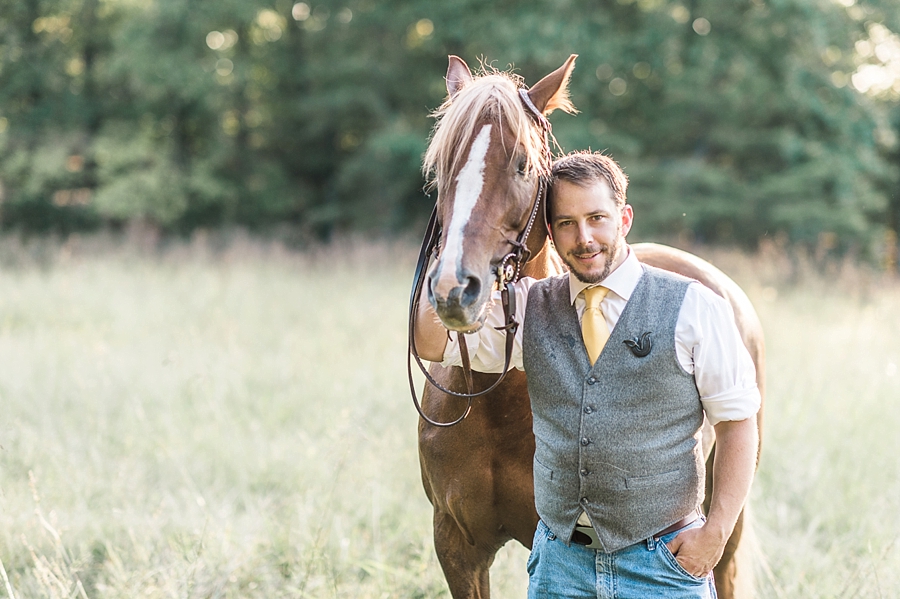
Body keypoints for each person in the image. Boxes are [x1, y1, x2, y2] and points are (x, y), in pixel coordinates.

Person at [414, 151, 760, 598]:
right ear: (550, 233)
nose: (584, 238)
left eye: (597, 218)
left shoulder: (695, 306)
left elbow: (737, 424)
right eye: (566, 224)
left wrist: (714, 534)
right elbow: (430, 342)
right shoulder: (530, 308)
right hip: (562, 567)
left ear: (625, 218)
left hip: (662, 564)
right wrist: (456, 236)